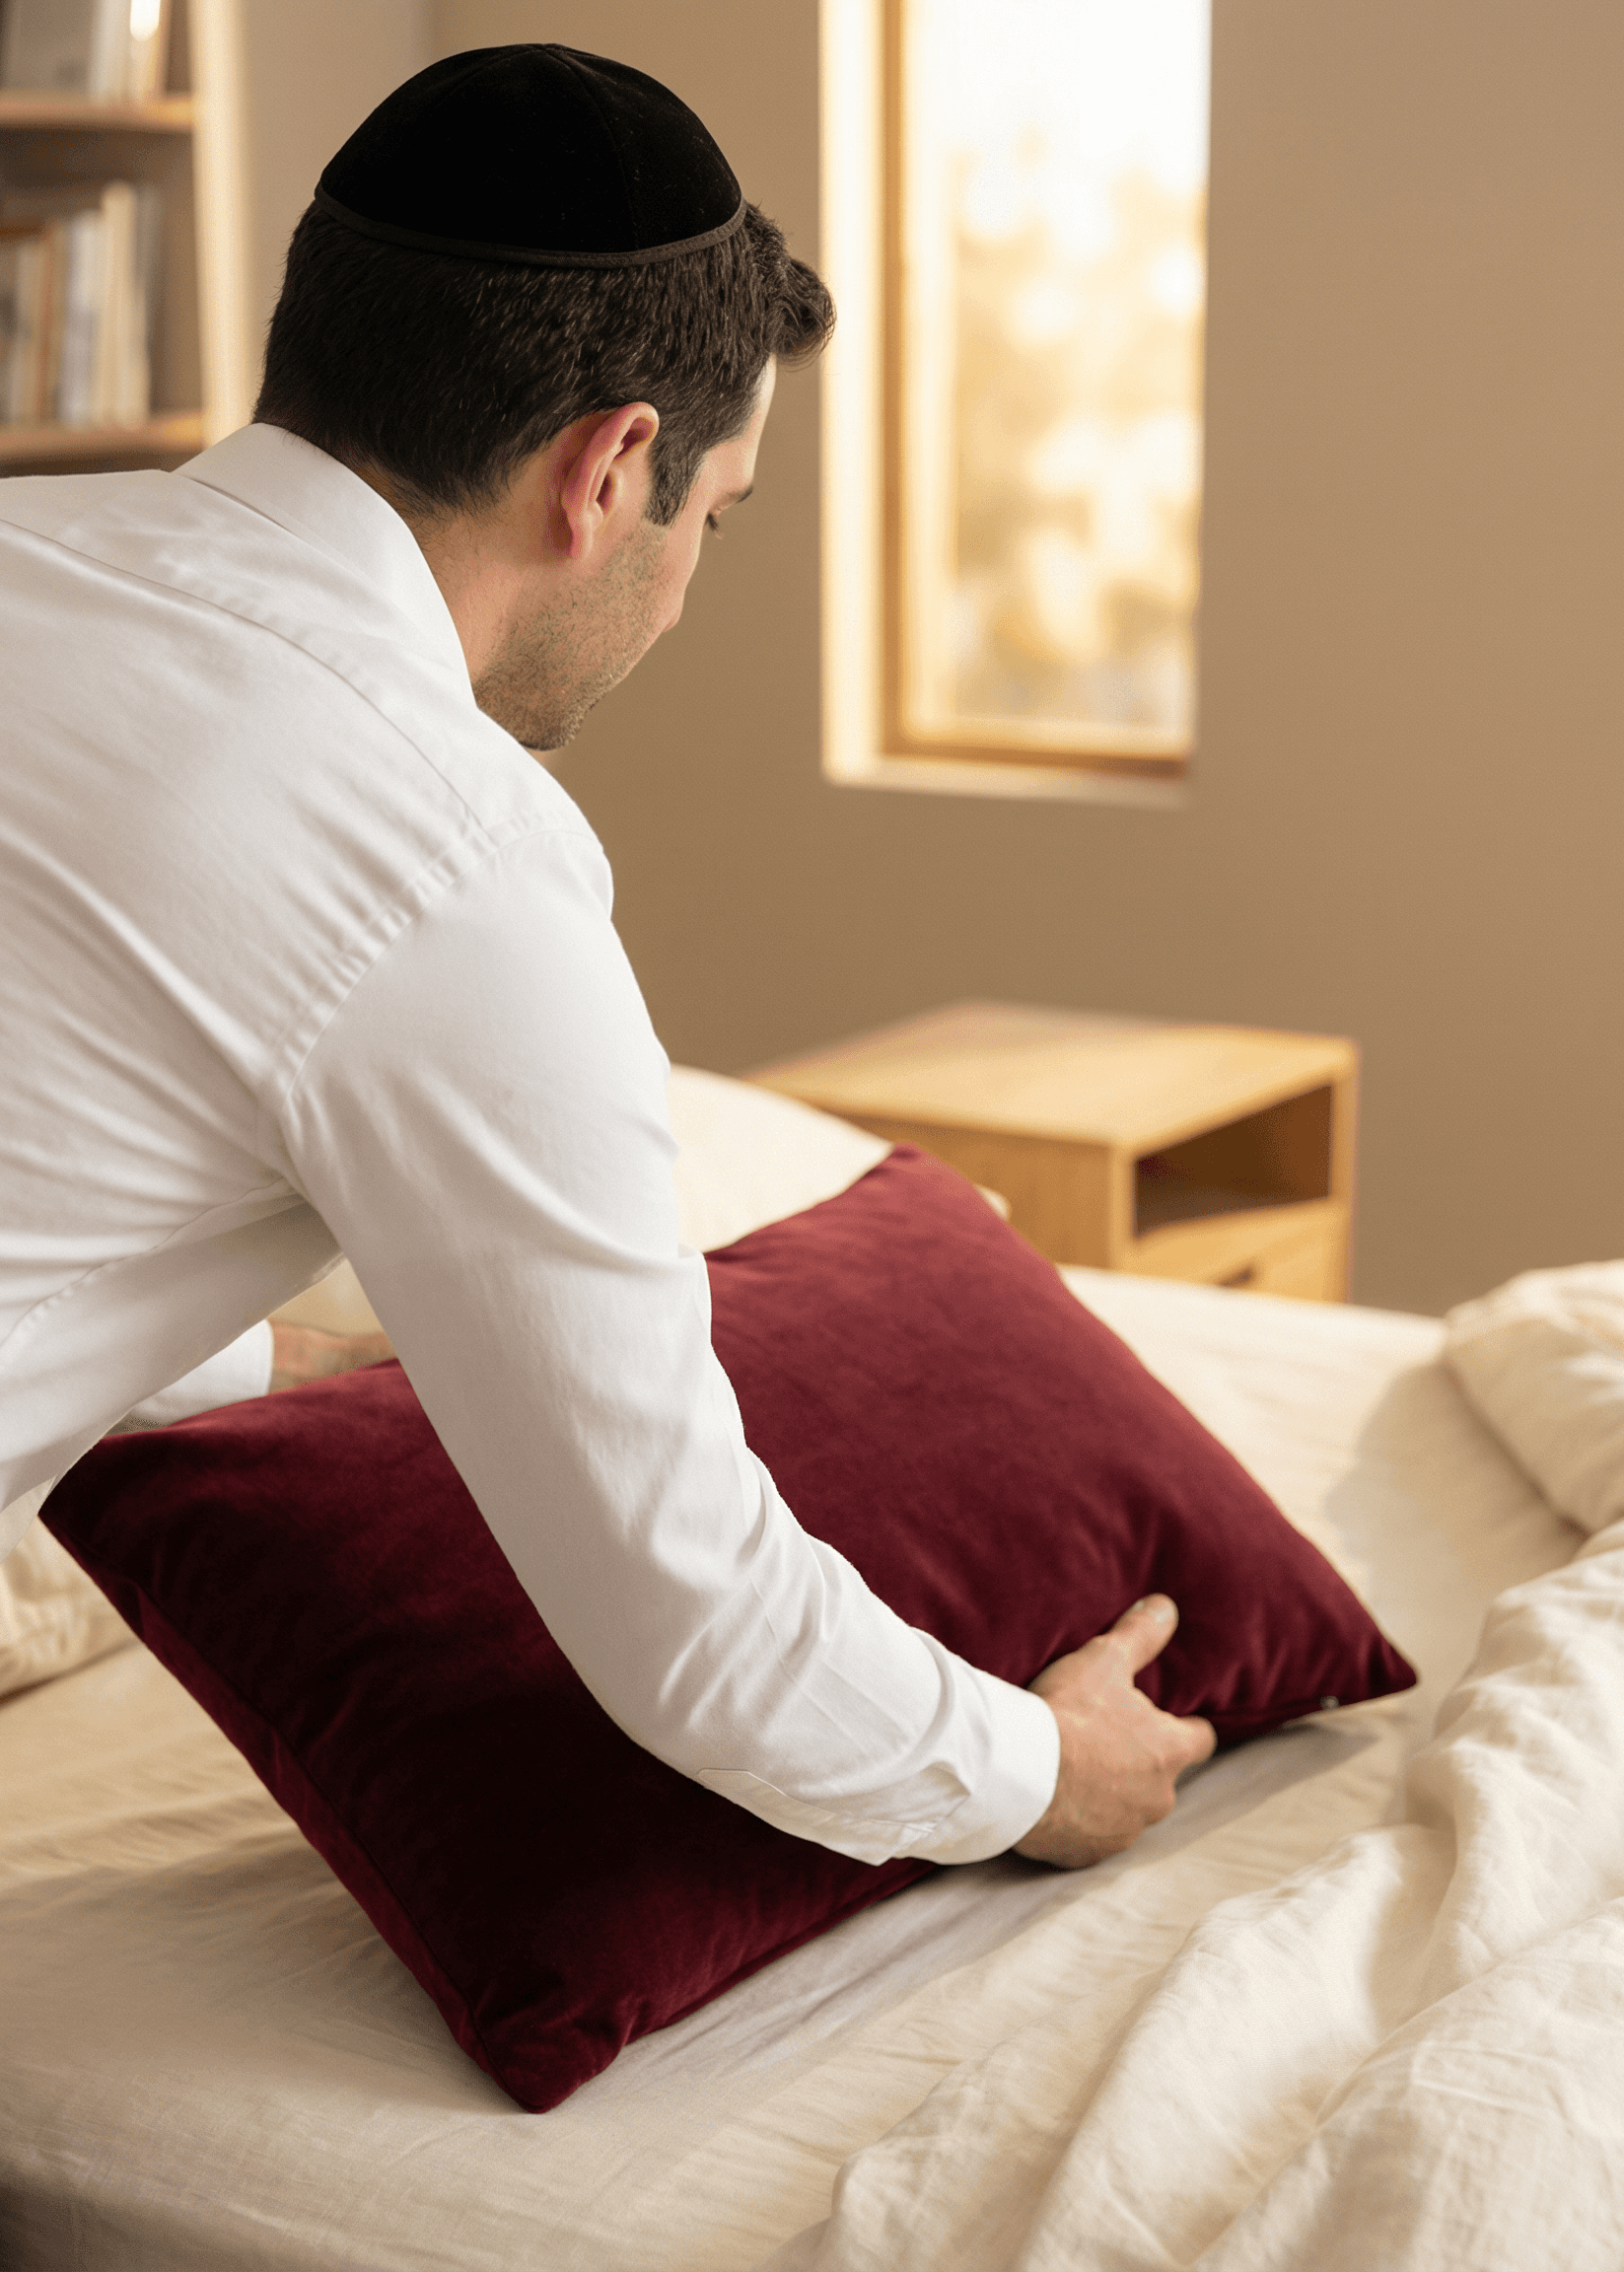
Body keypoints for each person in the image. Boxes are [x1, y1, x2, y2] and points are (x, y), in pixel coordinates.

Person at [0, 44, 1213, 1870]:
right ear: (610, 467)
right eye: (712, 517)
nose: (683, 588)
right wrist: (1042, 1773)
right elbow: (691, 1619)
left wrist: (267, 1369)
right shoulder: (444, 850)